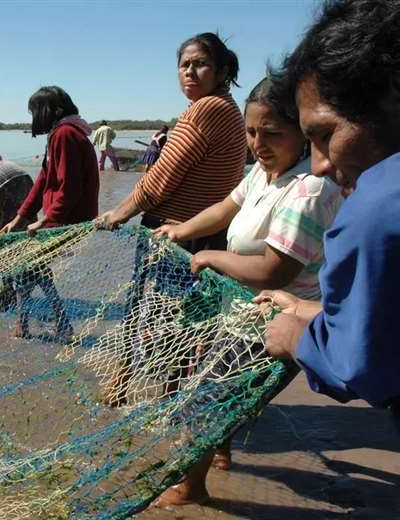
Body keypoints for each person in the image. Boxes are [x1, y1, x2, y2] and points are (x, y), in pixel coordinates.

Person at [149, 77, 343, 507]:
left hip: (273, 320)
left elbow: (274, 270)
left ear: (303, 131)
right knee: (225, 395)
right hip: (242, 310)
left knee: (207, 402)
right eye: (251, 131)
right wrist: (181, 229)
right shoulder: (264, 172)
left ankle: (190, 488)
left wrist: (211, 258)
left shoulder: (308, 190)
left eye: (272, 132)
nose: (258, 142)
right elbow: (225, 208)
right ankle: (220, 450)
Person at [251, 0, 400, 437]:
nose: (318, 165)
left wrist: (295, 337)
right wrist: (314, 309)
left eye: (325, 134)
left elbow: (358, 367)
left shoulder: (376, 207)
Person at [95, 33, 247, 407]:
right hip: (207, 235)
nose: (190, 72)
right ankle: (169, 396)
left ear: (222, 70)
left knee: (152, 315)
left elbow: (160, 179)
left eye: (200, 64)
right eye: (184, 65)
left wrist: (118, 213)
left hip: (177, 234)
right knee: (188, 321)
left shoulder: (206, 109)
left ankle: (127, 386)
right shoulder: (227, 107)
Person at [0, 86, 99, 340]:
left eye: (35, 112)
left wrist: (47, 220)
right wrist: (19, 218)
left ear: (52, 111)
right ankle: (62, 324)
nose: (34, 118)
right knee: (38, 271)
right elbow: (44, 179)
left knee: (24, 271)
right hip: (61, 219)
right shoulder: (60, 133)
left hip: (67, 221)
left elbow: (70, 186)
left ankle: (24, 329)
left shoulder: (65, 134)